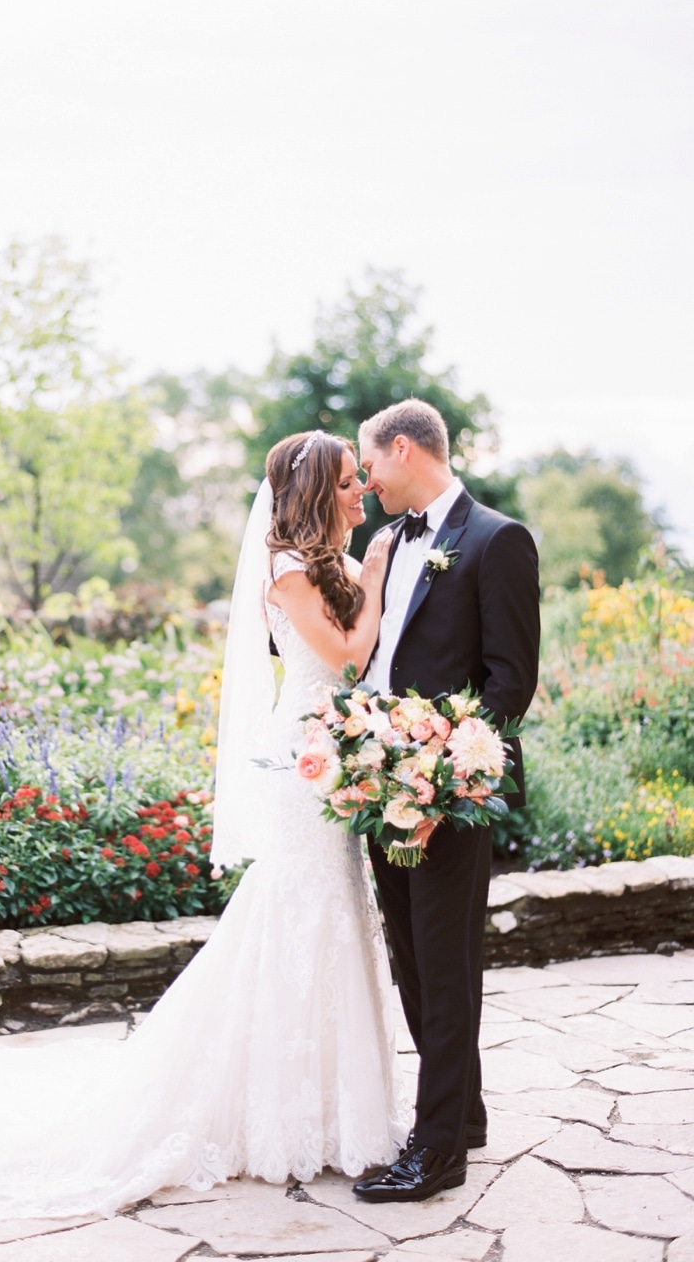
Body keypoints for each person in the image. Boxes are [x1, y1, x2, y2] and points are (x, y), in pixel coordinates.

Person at [0, 429, 409, 1220]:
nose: (360, 491)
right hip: (304, 770)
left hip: (337, 758)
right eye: (348, 481)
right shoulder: (286, 570)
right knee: (302, 918)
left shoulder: (335, 561)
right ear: (316, 492)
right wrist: (375, 577)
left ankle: (334, 1112)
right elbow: (344, 655)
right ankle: (279, 1117)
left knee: (334, 918)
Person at [351, 399, 540, 1205]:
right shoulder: (385, 542)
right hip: (379, 789)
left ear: (403, 448)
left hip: (451, 797)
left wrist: (443, 777)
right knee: (414, 963)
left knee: (448, 964)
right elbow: (377, 659)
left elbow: (510, 682)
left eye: (371, 465)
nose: (366, 482)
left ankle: (436, 1155)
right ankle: (461, 1116)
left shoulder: (497, 540)